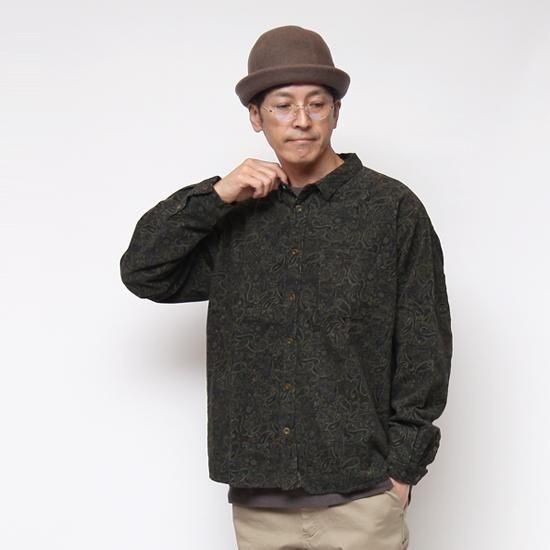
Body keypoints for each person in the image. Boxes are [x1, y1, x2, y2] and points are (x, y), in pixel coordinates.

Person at [120, 24, 452, 550]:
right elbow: (144, 271)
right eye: (281, 106)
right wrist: (215, 195)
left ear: (336, 112)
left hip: (363, 499)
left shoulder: (390, 210)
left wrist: (401, 474)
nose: (301, 120)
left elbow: (423, 346)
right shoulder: (234, 216)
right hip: (260, 506)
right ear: (256, 117)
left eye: (316, 104)